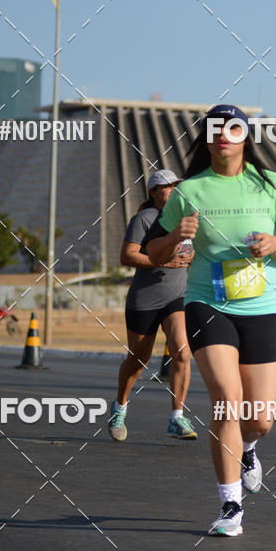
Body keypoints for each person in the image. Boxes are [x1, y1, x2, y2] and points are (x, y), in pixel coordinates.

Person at [147, 105, 276, 536]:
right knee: (226, 399)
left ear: (244, 138)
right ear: (207, 139)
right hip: (207, 304)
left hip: (260, 310)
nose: (224, 135)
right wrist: (176, 236)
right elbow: (155, 253)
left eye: (233, 128)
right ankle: (230, 506)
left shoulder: (270, 184)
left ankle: (250, 448)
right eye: (216, 129)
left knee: (259, 418)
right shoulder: (190, 190)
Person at [109, 169, 197, 442]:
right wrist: (162, 262)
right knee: (138, 360)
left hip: (177, 297)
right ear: (153, 193)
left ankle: (176, 417)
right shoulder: (144, 219)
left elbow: (197, 251)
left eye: (175, 186)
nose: (172, 191)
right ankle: (119, 409)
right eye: (166, 187)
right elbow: (127, 256)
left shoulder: (186, 221)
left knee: (182, 351)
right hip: (144, 299)